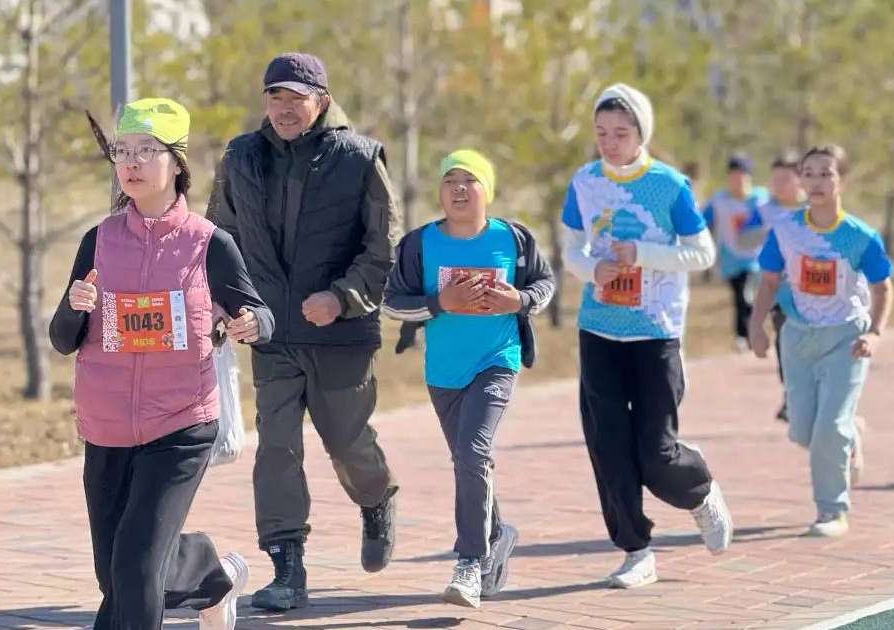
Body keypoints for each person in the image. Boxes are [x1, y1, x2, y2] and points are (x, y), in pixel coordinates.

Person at [49, 98, 274, 629]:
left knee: (135, 566)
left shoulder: (208, 244)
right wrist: (73, 308)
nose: (130, 162)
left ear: (176, 163)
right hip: (106, 428)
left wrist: (250, 325)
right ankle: (213, 576)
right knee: (117, 573)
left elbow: (260, 314)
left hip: (180, 424)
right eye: (122, 151)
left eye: (146, 151)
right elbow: (62, 339)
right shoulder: (97, 241)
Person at [206, 52, 400, 611]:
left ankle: (377, 498)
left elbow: (381, 248)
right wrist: (228, 303)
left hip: (340, 333)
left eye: (296, 98)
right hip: (271, 333)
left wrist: (341, 298)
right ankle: (286, 564)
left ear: (322, 99)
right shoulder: (240, 156)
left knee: (348, 444)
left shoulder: (360, 158)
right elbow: (222, 238)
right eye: (275, 97)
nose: (285, 109)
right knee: (277, 449)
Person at [560, 83, 733, 590]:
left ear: (642, 133)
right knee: (608, 445)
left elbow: (702, 253)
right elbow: (571, 249)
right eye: (601, 133)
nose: (610, 143)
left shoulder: (669, 185)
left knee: (656, 454)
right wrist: (594, 271)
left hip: (656, 332)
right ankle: (636, 551)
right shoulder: (585, 182)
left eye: (621, 132)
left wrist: (643, 255)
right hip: (599, 329)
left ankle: (698, 487)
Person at [383, 150, 555, 607]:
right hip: (443, 371)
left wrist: (517, 300)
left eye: (470, 180)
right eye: (450, 180)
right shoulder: (420, 244)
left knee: (474, 450)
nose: (459, 189)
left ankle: (469, 563)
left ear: (487, 191)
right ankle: (499, 534)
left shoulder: (512, 239)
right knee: (466, 460)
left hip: (497, 359)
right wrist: (441, 302)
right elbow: (393, 303)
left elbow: (544, 284)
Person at [749, 145, 894, 537]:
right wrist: (756, 324)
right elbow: (769, 281)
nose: (815, 181)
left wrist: (874, 333)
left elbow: (882, 289)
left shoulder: (860, 236)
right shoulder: (786, 230)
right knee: (803, 431)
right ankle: (851, 436)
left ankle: (832, 511)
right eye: (808, 173)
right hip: (796, 337)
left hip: (846, 337)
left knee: (829, 427)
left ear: (840, 180)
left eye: (825, 173)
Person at [747, 151, 807, 421]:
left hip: (815, 295)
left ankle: (810, 396)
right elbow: (742, 238)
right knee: (785, 346)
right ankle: (791, 397)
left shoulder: (814, 211)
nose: (779, 184)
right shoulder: (764, 212)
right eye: (775, 179)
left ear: (800, 180)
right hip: (781, 294)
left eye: (785, 179)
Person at [702, 154, 770, 351]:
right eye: (733, 176)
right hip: (730, 259)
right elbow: (701, 223)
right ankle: (748, 335)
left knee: (745, 294)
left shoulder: (761, 199)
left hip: (757, 259)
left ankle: (744, 336)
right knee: (740, 297)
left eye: (742, 176)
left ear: (749, 178)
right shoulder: (719, 201)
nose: (738, 181)